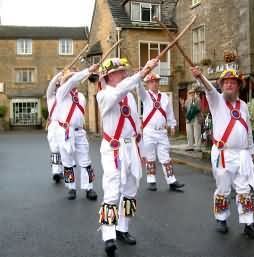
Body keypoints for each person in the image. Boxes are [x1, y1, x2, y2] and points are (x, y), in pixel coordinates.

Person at [190, 67, 254, 240]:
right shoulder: (216, 101)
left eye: (233, 82)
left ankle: (248, 223)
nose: (229, 85)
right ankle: (221, 219)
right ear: (221, 86)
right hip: (223, 153)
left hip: (242, 154)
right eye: (226, 82)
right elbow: (209, 88)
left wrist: (251, 150)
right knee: (223, 189)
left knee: (244, 189)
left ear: (239, 86)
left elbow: (248, 131)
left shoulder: (244, 106)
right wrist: (200, 77)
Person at [96, 57, 158, 257]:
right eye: (119, 72)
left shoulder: (130, 97)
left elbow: (136, 127)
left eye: (124, 71)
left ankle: (123, 228)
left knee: (131, 190)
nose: (123, 74)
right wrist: (142, 73)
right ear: (108, 76)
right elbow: (118, 92)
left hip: (131, 148)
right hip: (113, 149)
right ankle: (108, 235)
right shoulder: (104, 95)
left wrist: (142, 152)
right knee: (112, 190)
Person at [53, 65, 99, 200]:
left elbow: (78, 116)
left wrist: (84, 73)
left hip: (79, 132)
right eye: (69, 78)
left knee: (86, 161)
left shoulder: (81, 96)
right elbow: (72, 81)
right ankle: (71, 188)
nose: (72, 80)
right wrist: (87, 70)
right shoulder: (61, 93)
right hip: (65, 132)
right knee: (67, 161)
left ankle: (89, 188)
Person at [138, 72, 185, 192]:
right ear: (147, 84)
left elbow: (169, 112)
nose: (154, 83)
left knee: (166, 157)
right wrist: (139, 76)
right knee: (150, 156)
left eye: (156, 81)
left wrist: (172, 124)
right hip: (149, 131)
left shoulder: (164, 96)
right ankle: (151, 180)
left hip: (162, 132)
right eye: (152, 81)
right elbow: (139, 87)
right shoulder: (145, 96)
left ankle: (171, 181)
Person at [46, 71, 63, 183]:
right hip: (57, 125)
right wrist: (60, 74)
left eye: (58, 86)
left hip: (59, 125)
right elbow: (51, 85)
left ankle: (58, 171)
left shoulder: (62, 98)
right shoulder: (51, 98)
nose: (57, 88)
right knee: (57, 150)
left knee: (59, 150)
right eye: (57, 86)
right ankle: (57, 172)